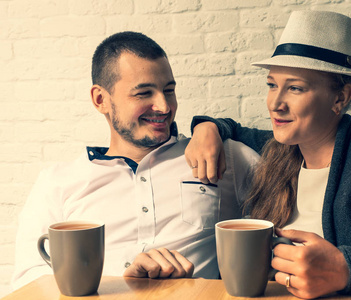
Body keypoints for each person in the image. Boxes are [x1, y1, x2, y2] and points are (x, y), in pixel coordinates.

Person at [186, 10, 351, 299]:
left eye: (295, 88)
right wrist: (207, 128)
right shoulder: (279, 146)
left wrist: (348, 269)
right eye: (272, 85)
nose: (275, 103)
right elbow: (232, 128)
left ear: (341, 97)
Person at [11, 31, 259, 290]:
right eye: (144, 94)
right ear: (101, 100)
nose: (164, 107)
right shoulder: (57, 182)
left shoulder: (222, 156)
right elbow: (27, 280)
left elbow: (290, 170)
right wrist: (122, 279)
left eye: (169, 90)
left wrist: (213, 126)